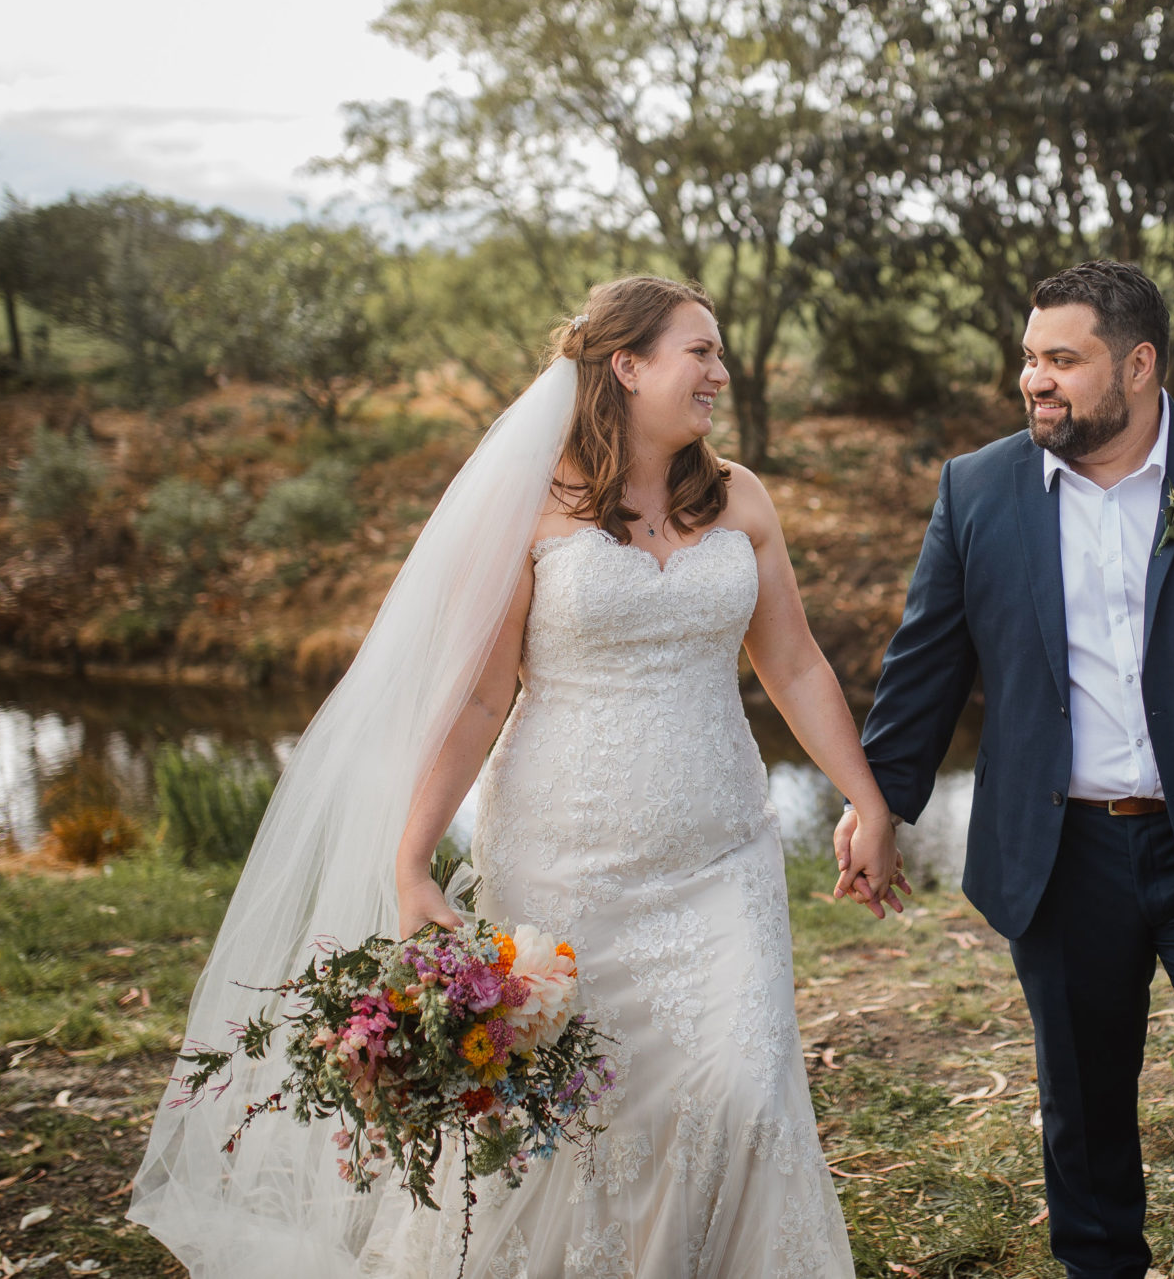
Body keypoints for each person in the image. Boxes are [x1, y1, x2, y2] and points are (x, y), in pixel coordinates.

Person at [132, 276, 907, 1278]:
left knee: (741, 1091)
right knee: (575, 1116)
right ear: (625, 366)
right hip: (566, 859)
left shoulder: (740, 497)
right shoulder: (535, 507)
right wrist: (411, 862)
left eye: (717, 354)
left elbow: (793, 662)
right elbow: (476, 700)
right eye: (698, 352)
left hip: (724, 853)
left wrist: (867, 799)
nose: (720, 371)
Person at [839, 260, 1174, 1279]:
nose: (1034, 381)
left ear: (1136, 365)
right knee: (1080, 1105)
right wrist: (877, 805)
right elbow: (924, 667)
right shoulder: (977, 489)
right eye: (1028, 359)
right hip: (1061, 852)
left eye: (1061, 360)